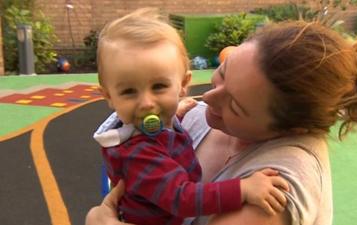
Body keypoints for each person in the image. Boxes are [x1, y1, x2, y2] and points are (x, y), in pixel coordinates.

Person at [86, 20, 357, 225]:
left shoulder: (274, 190)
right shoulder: (192, 117)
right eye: (223, 72)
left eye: (233, 104)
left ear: (290, 129)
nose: (208, 97)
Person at [92, 8, 289, 225]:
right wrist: (243, 189)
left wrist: (173, 112)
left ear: (183, 85)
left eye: (159, 87)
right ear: (109, 96)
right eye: (129, 92)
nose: (147, 103)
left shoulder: (147, 125)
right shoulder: (138, 153)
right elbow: (181, 198)